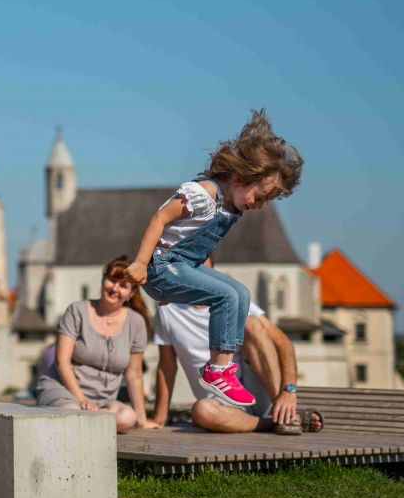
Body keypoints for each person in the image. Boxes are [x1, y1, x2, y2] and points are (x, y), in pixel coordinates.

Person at [126, 109, 302, 408]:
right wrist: (141, 263)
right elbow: (159, 219)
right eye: (259, 197)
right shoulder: (202, 194)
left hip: (183, 268)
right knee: (225, 296)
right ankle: (218, 370)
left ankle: (222, 367)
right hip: (161, 266)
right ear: (242, 177)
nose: (258, 206)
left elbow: (199, 244)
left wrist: (197, 280)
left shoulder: (231, 209)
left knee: (240, 294)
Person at [151, 263, 321, 434]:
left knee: (251, 323)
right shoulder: (168, 309)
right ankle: (277, 421)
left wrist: (288, 389)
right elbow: (167, 366)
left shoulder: (235, 299)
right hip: (221, 401)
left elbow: (283, 343)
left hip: (259, 387)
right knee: (202, 411)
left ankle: (285, 414)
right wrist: (159, 418)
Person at [34, 256, 158, 433]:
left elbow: (134, 375)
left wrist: (142, 420)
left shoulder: (136, 322)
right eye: (112, 280)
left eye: (123, 286)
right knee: (73, 412)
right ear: (103, 280)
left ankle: (93, 419)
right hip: (64, 391)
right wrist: (82, 400)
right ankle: (92, 420)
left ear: (131, 294)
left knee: (127, 417)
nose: (115, 288)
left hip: (103, 400)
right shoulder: (77, 311)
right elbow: (62, 361)